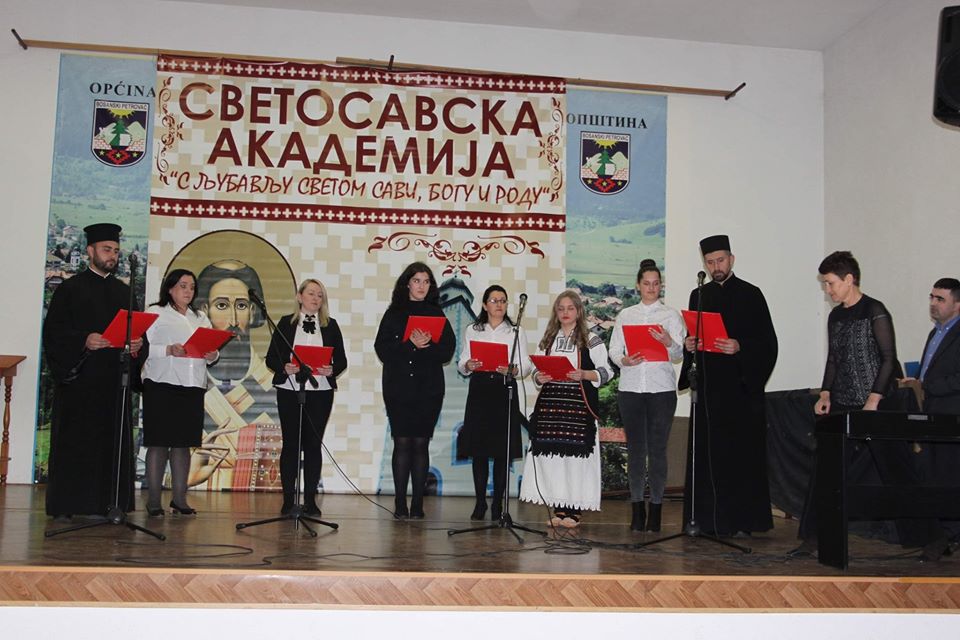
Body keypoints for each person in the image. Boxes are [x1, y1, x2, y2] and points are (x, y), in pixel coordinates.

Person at [679, 234, 778, 536]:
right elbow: (693, 340)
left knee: (740, 458)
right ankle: (706, 520)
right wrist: (689, 345)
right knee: (708, 457)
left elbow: (768, 344)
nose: (715, 267)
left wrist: (740, 346)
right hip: (709, 392)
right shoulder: (699, 295)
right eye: (710, 262)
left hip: (741, 392)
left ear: (731, 259)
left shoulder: (751, 294)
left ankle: (742, 521)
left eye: (720, 260)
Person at [42, 223, 143, 520]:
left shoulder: (124, 292)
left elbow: (138, 333)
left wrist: (137, 345)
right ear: (90, 251)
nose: (112, 256)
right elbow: (54, 334)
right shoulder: (70, 289)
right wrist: (84, 339)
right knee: (77, 444)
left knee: (111, 445)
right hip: (80, 383)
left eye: (116, 251)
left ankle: (111, 505)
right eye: (106, 249)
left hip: (113, 383)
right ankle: (68, 505)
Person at [519, 290, 613, 528]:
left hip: (578, 406)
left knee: (576, 459)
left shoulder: (591, 339)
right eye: (560, 308)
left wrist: (584, 374)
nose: (565, 313)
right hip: (552, 406)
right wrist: (540, 376)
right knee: (555, 459)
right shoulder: (548, 339)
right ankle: (559, 507)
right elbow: (536, 372)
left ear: (579, 311)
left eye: (570, 308)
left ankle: (574, 509)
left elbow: (607, 372)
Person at [608, 259, 686, 532]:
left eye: (656, 284)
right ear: (638, 286)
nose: (651, 288)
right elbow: (614, 350)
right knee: (636, 451)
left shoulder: (671, 315)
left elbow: (679, 354)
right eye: (646, 283)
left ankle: (656, 508)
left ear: (661, 286)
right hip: (631, 388)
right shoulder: (626, 315)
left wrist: (668, 342)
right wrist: (624, 360)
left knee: (658, 450)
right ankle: (637, 508)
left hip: (661, 390)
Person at [375, 262, 456, 519]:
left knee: (421, 444)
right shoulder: (393, 313)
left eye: (426, 281)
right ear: (407, 284)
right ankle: (400, 503)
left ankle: (418, 503)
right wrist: (409, 343)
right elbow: (382, 350)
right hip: (398, 387)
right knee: (401, 442)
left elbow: (447, 351)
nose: (422, 286)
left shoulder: (437, 314)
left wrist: (427, 344)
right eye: (417, 281)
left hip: (428, 389)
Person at [265, 279, 348, 516]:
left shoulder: (331, 325)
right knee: (291, 444)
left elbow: (341, 360)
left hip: (320, 391)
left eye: (320, 295)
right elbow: (271, 358)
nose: (315, 299)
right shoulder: (285, 323)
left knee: (313, 445)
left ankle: (310, 500)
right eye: (311, 293)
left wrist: (331, 369)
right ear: (299, 296)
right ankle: (288, 500)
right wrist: (285, 367)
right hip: (290, 389)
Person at [141, 269, 220, 516]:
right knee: (159, 443)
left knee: (183, 444)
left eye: (192, 287)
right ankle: (154, 501)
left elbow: (212, 350)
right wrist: (167, 350)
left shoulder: (200, 317)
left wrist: (213, 354)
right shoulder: (155, 312)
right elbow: (140, 348)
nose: (188, 291)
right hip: (161, 384)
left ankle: (179, 500)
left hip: (192, 386)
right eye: (183, 286)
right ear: (170, 288)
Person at [457, 285, 531, 521]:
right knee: (479, 450)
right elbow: (462, 362)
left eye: (503, 300)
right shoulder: (473, 329)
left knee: (502, 451)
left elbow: (526, 364)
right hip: (480, 389)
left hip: (503, 389)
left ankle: (498, 503)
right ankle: (480, 502)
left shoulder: (515, 331)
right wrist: (468, 365)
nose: (499, 305)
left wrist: (514, 369)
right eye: (494, 300)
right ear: (484, 305)